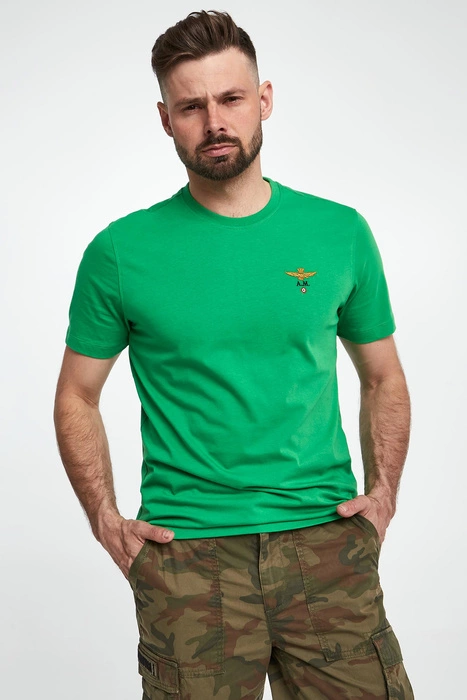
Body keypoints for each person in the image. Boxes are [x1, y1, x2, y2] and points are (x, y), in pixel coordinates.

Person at [53, 9, 414, 699]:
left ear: (264, 100)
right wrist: (104, 519)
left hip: (324, 543)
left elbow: (383, 377)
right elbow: (76, 394)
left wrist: (383, 497)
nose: (214, 122)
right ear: (166, 119)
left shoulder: (339, 232)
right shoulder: (120, 252)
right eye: (191, 106)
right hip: (187, 557)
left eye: (230, 98)